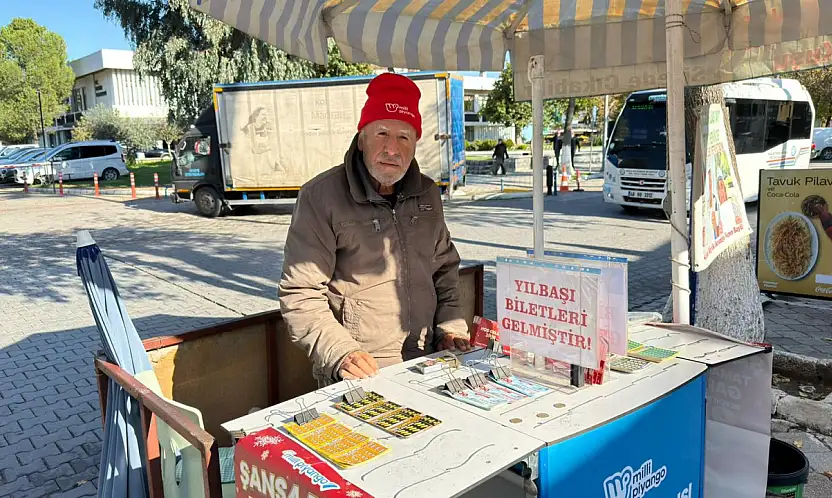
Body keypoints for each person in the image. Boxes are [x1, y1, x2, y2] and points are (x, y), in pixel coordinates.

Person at [278, 73, 471, 386]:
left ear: (415, 144)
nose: (392, 149)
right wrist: (340, 352)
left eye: (404, 137)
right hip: (361, 370)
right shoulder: (320, 196)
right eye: (382, 133)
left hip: (428, 360)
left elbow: (445, 271)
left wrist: (450, 329)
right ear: (362, 138)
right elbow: (300, 292)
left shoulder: (428, 194)